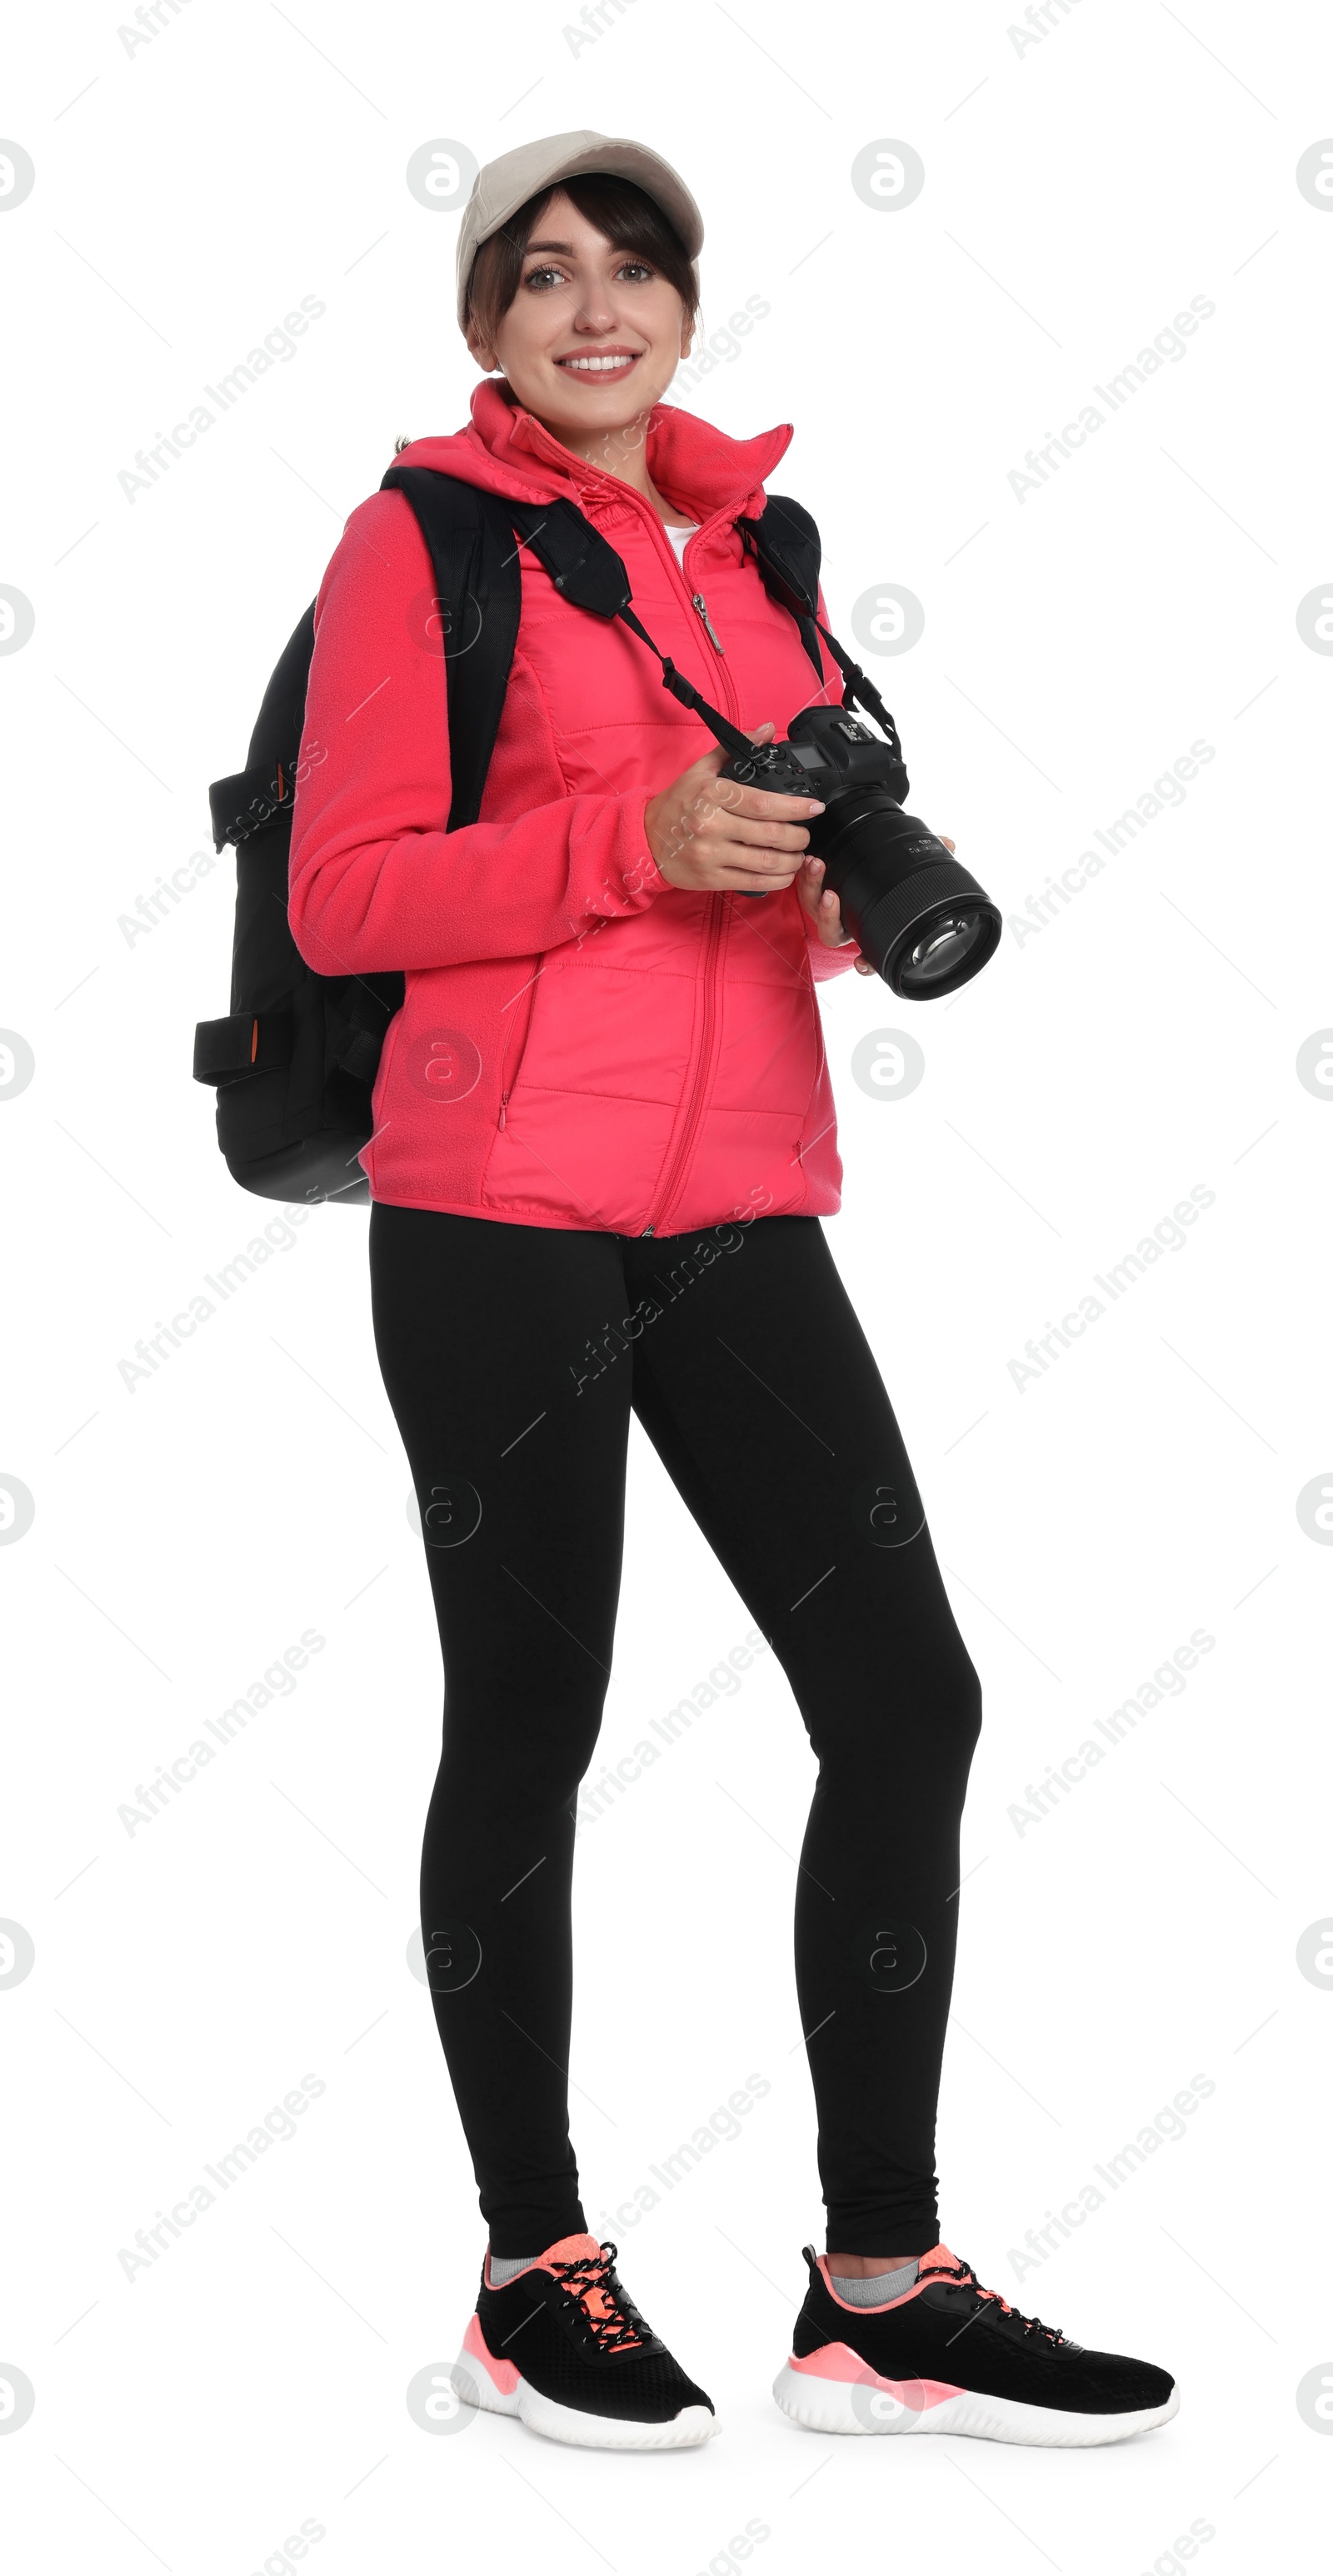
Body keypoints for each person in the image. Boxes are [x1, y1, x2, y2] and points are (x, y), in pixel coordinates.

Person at [288, 129, 1176, 2451]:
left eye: (639, 268)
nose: (600, 308)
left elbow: (752, 864)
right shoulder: (420, 545)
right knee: (536, 1721)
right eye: (546, 274)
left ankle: (879, 2287)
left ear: (689, 305)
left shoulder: (758, 545)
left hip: (739, 1204)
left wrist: (815, 891)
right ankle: (528, 2269)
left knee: (907, 1697)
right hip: (495, 1214)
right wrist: (634, 842)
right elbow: (346, 899)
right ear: (481, 325)